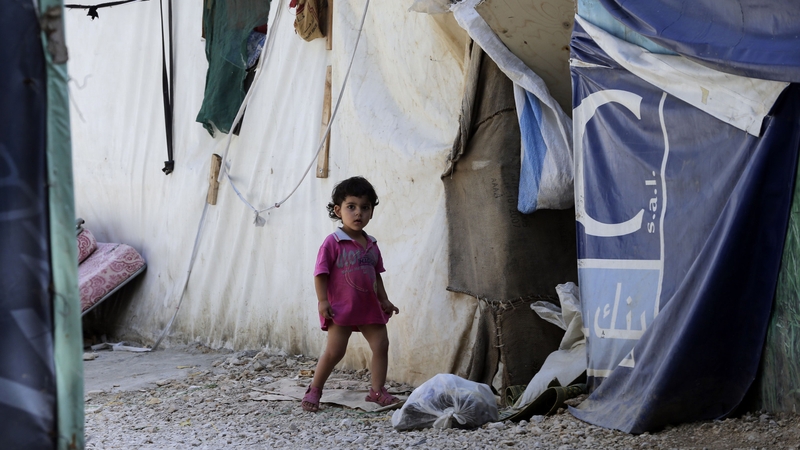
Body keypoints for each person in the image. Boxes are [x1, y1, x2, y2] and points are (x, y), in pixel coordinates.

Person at [302, 176, 401, 412]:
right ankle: (315, 389)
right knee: (335, 351)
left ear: (371, 212)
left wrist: (384, 300)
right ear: (338, 210)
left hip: (369, 307)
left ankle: (377, 391)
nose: (358, 213)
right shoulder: (333, 242)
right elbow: (320, 273)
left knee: (381, 345)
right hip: (341, 307)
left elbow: (376, 275)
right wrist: (323, 301)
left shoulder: (371, 244)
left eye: (365, 208)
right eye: (351, 207)